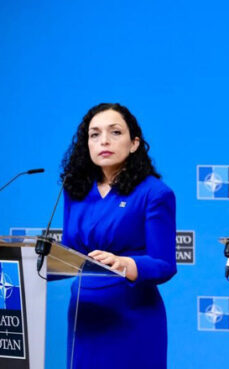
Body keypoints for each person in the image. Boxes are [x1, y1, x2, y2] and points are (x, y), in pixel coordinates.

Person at [61, 103, 177, 369]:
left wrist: (125, 264)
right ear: (86, 144)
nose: (104, 141)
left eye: (115, 132)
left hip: (131, 314)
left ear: (134, 143)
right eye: (95, 134)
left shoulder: (155, 193)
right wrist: (43, 260)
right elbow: (69, 252)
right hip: (84, 314)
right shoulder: (74, 190)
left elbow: (164, 264)